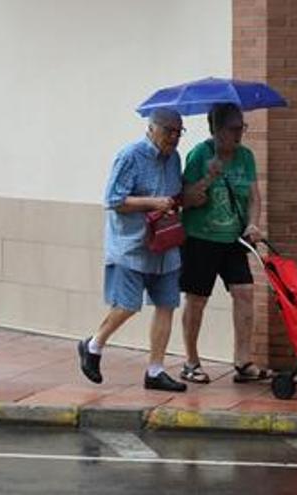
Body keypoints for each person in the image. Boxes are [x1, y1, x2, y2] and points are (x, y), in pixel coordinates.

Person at [76, 108, 187, 392]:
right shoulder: (130, 155)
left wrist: (197, 188)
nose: (174, 137)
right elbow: (113, 200)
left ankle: (155, 370)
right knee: (127, 305)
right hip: (132, 245)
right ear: (151, 128)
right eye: (169, 131)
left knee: (167, 304)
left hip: (164, 245)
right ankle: (93, 345)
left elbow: (174, 196)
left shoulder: (174, 158)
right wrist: (153, 203)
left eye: (178, 131)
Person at [177, 103, 270, 384]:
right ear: (216, 130)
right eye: (234, 128)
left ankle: (243, 361)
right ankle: (191, 362)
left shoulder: (245, 157)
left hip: (233, 238)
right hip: (200, 238)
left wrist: (254, 223)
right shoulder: (199, 154)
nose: (239, 133)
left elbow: (254, 196)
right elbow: (185, 198)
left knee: (244, 292)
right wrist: (208, 178)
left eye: (242, 127)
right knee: (197, 299)